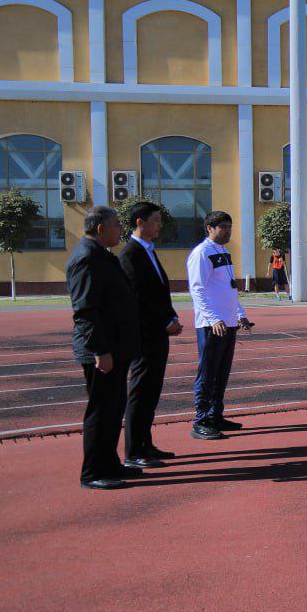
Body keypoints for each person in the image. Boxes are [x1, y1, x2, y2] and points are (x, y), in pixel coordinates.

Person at [66, 205, 142, 489]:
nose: (119, 232)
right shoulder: (86, 258)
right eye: (115, 226)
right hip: (102, 349)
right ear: (100, 228)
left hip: (116, 347)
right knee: (101, 410)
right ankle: (93, 473)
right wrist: (99, 350)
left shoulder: (102, 256)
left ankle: (109, 463)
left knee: (113, 408)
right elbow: (85, 310)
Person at [118, 200, 182, 468]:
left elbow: (158, 292)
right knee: (141, 392)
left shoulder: (148, 251)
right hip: (145, 335)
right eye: (155, 220)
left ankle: (146, 443)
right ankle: (134, 452)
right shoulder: (130, 254)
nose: (160, 225)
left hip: (158, 333)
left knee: (152, 391)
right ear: (139, 222)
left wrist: (172, 316)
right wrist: (164, 321)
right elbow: (139, 298)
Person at [187, 211, 254, 441]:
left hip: (228, 323)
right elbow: (197, 290)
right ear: (210, 228)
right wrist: (213, 318)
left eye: (229, 226)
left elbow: (230, 289)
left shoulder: (224, 253)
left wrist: (240, 314)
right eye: (223, 227)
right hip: (211, 325)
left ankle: (216, 416)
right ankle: (201, 420)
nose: (228, 231)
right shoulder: (202, 253)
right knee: (207, 374)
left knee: (221, 374)